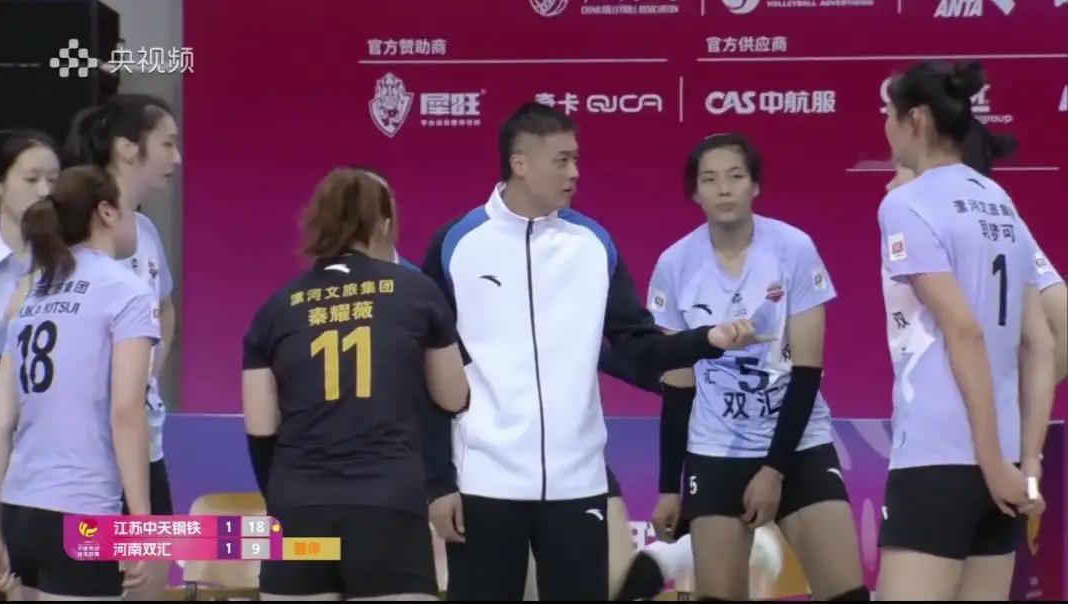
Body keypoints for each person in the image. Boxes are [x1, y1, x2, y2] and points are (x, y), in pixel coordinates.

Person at [421, 101, 766, 601]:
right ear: (520, 164)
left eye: (576, 159)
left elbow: (636, 346)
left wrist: (705, 340)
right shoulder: (457, 244)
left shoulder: (592, 243)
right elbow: (430, 372)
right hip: (483, 483)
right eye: (562, 160)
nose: (575, 172)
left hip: (578, 484)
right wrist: (438, 483)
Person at [642, 132, 867, 601]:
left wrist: (774, 470)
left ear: (755, 185)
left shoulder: (793, 249)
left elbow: (807, 372)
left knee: (847, 594)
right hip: (715, 450)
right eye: (710, 179)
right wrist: (668, 488)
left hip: (798, 446)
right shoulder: (674, 264)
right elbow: (679, 388)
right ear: (695, 192)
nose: (724, 189)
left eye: (735, 176)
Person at [242, 167, 470, 600]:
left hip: (298, 506)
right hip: (388, 505)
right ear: (383, 224)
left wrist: (283, 502)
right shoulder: (418, 293)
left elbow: (260, 425)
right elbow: (453, 396)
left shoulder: (275, 309)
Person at [875, 61, 1056, 600]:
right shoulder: (1001, 201)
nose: (885, 126)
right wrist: (1024, 465)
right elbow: (1040, 344)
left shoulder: (906, 203)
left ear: (916, 119)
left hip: (937, 453)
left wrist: (991, 461)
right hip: (1004, 464)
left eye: (889, 114)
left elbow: (964, 330)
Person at [0, 166, 157, 600]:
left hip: (18, 508)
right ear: (106, 212)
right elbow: (126, 411)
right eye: (128, 209)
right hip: (82, 510)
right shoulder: (126, 290)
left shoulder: (30, 296)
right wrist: (141, 520)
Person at [64, 93, 181, 600]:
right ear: (127, 148)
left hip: (146, 446)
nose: (178, 158)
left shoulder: (148, 232)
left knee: (152, 582)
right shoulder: (74, 231)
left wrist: (147, 372)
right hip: (85, 458)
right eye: (167, 144)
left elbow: (166, 308)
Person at [888, 122, 1067, 385]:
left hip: (959, 404)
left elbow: (1061, 320)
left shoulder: (994, 225)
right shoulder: (925, 225)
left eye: (901, 171)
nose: (890, 186)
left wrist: (1013, 401)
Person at [0, 131, 60, 396]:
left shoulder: (71, 257)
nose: (44, 191)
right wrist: (8, 325)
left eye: (53, 180)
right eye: (31, 179)